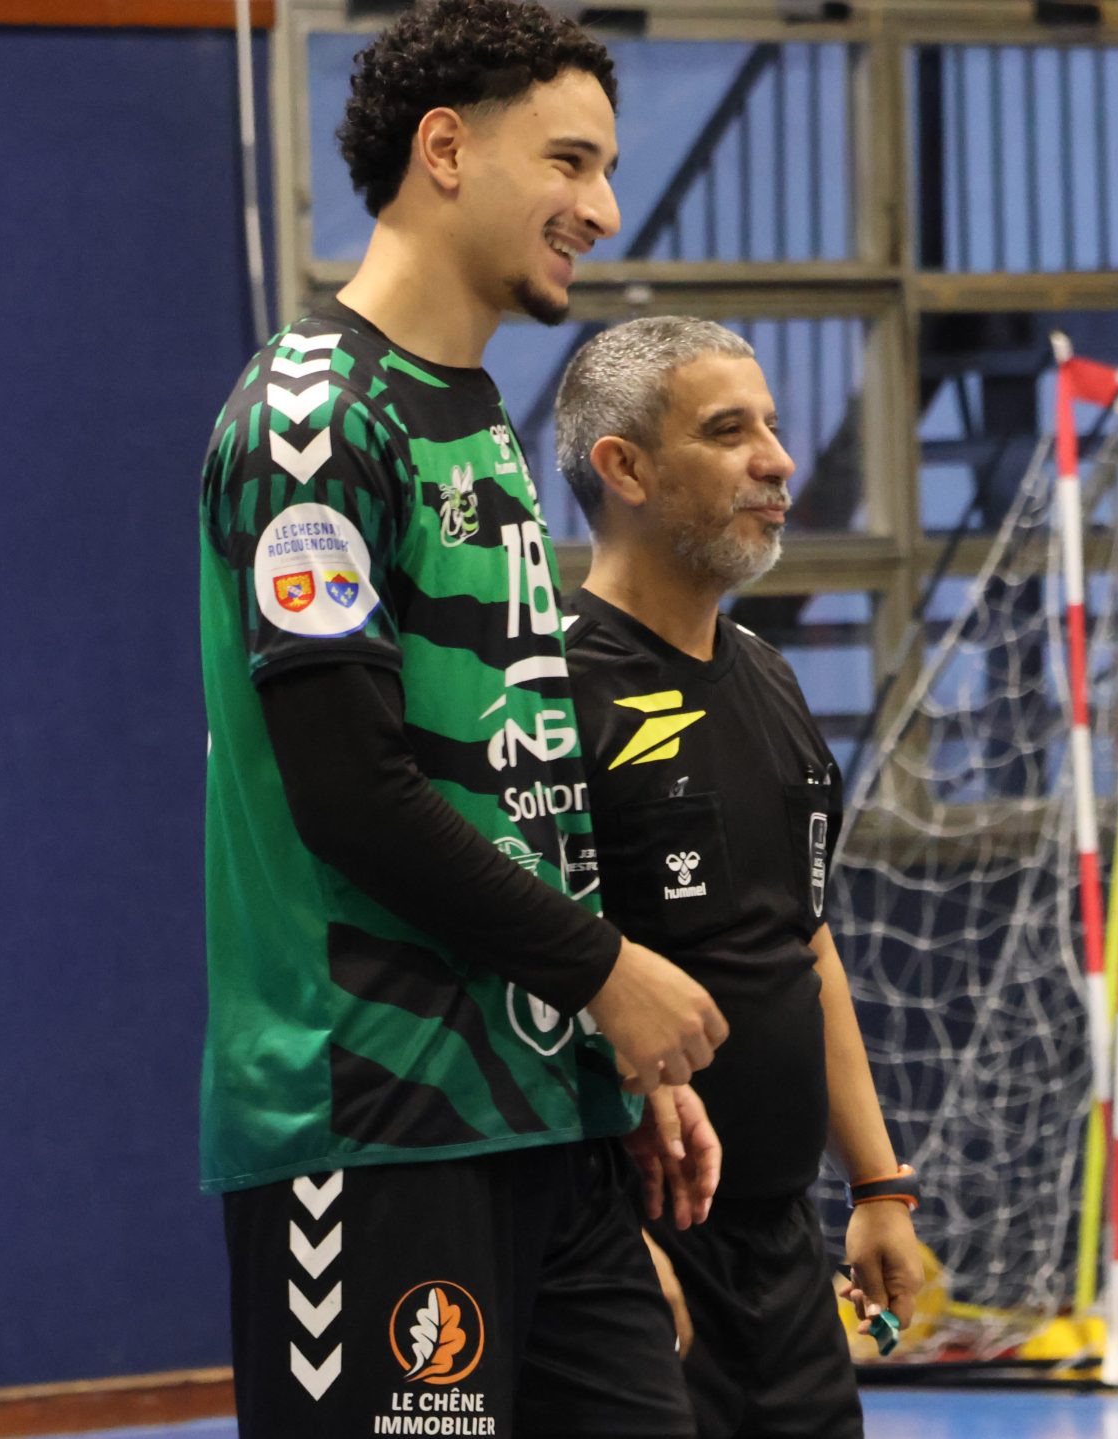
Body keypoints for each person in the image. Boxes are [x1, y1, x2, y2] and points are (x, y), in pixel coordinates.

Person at [196, 4, 727, 1435]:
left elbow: (520, 779)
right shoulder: (312, 419)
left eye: (606, 169)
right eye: (569, 162)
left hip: (539, 1109)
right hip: (371, 1122)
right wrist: (609, 973)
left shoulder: (476, 415)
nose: (602, 210)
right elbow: (352, 796)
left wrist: (603, 1052)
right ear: (445, 150)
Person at [551, 318, 925, 1438]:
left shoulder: (767, 673)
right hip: (625, 1253)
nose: (778, 459)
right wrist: (607, 1250)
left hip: (784, 1253)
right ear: (624, 468)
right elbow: (520, 988)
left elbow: (803, 944)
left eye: (770, 424)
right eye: (728, 431)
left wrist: (877, 1183)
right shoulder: (549, 691)